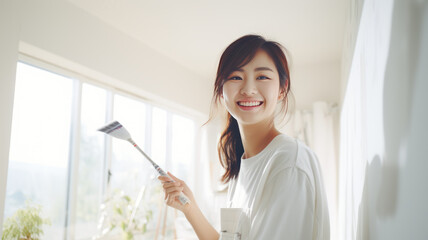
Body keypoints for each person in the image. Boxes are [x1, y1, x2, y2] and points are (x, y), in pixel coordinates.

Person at [158, 34, 330, 240]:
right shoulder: (242, 169)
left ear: (282, 90)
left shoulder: (288, 161)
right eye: (236, 77)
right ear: (222, 91)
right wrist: (189, 208)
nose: (248, 89)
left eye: (262, 77)